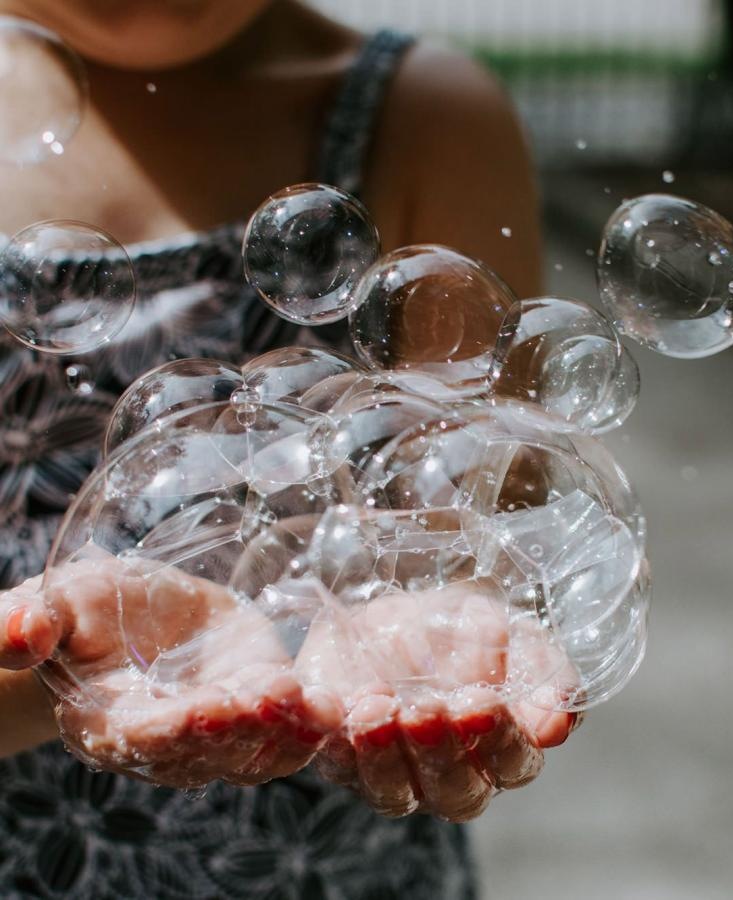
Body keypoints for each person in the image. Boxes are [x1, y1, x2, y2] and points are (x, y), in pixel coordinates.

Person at [0, 1, 573, 896]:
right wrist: (51, 674)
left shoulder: (424, 119)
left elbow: (490, 519)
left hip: (325, 868)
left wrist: (445, 632)